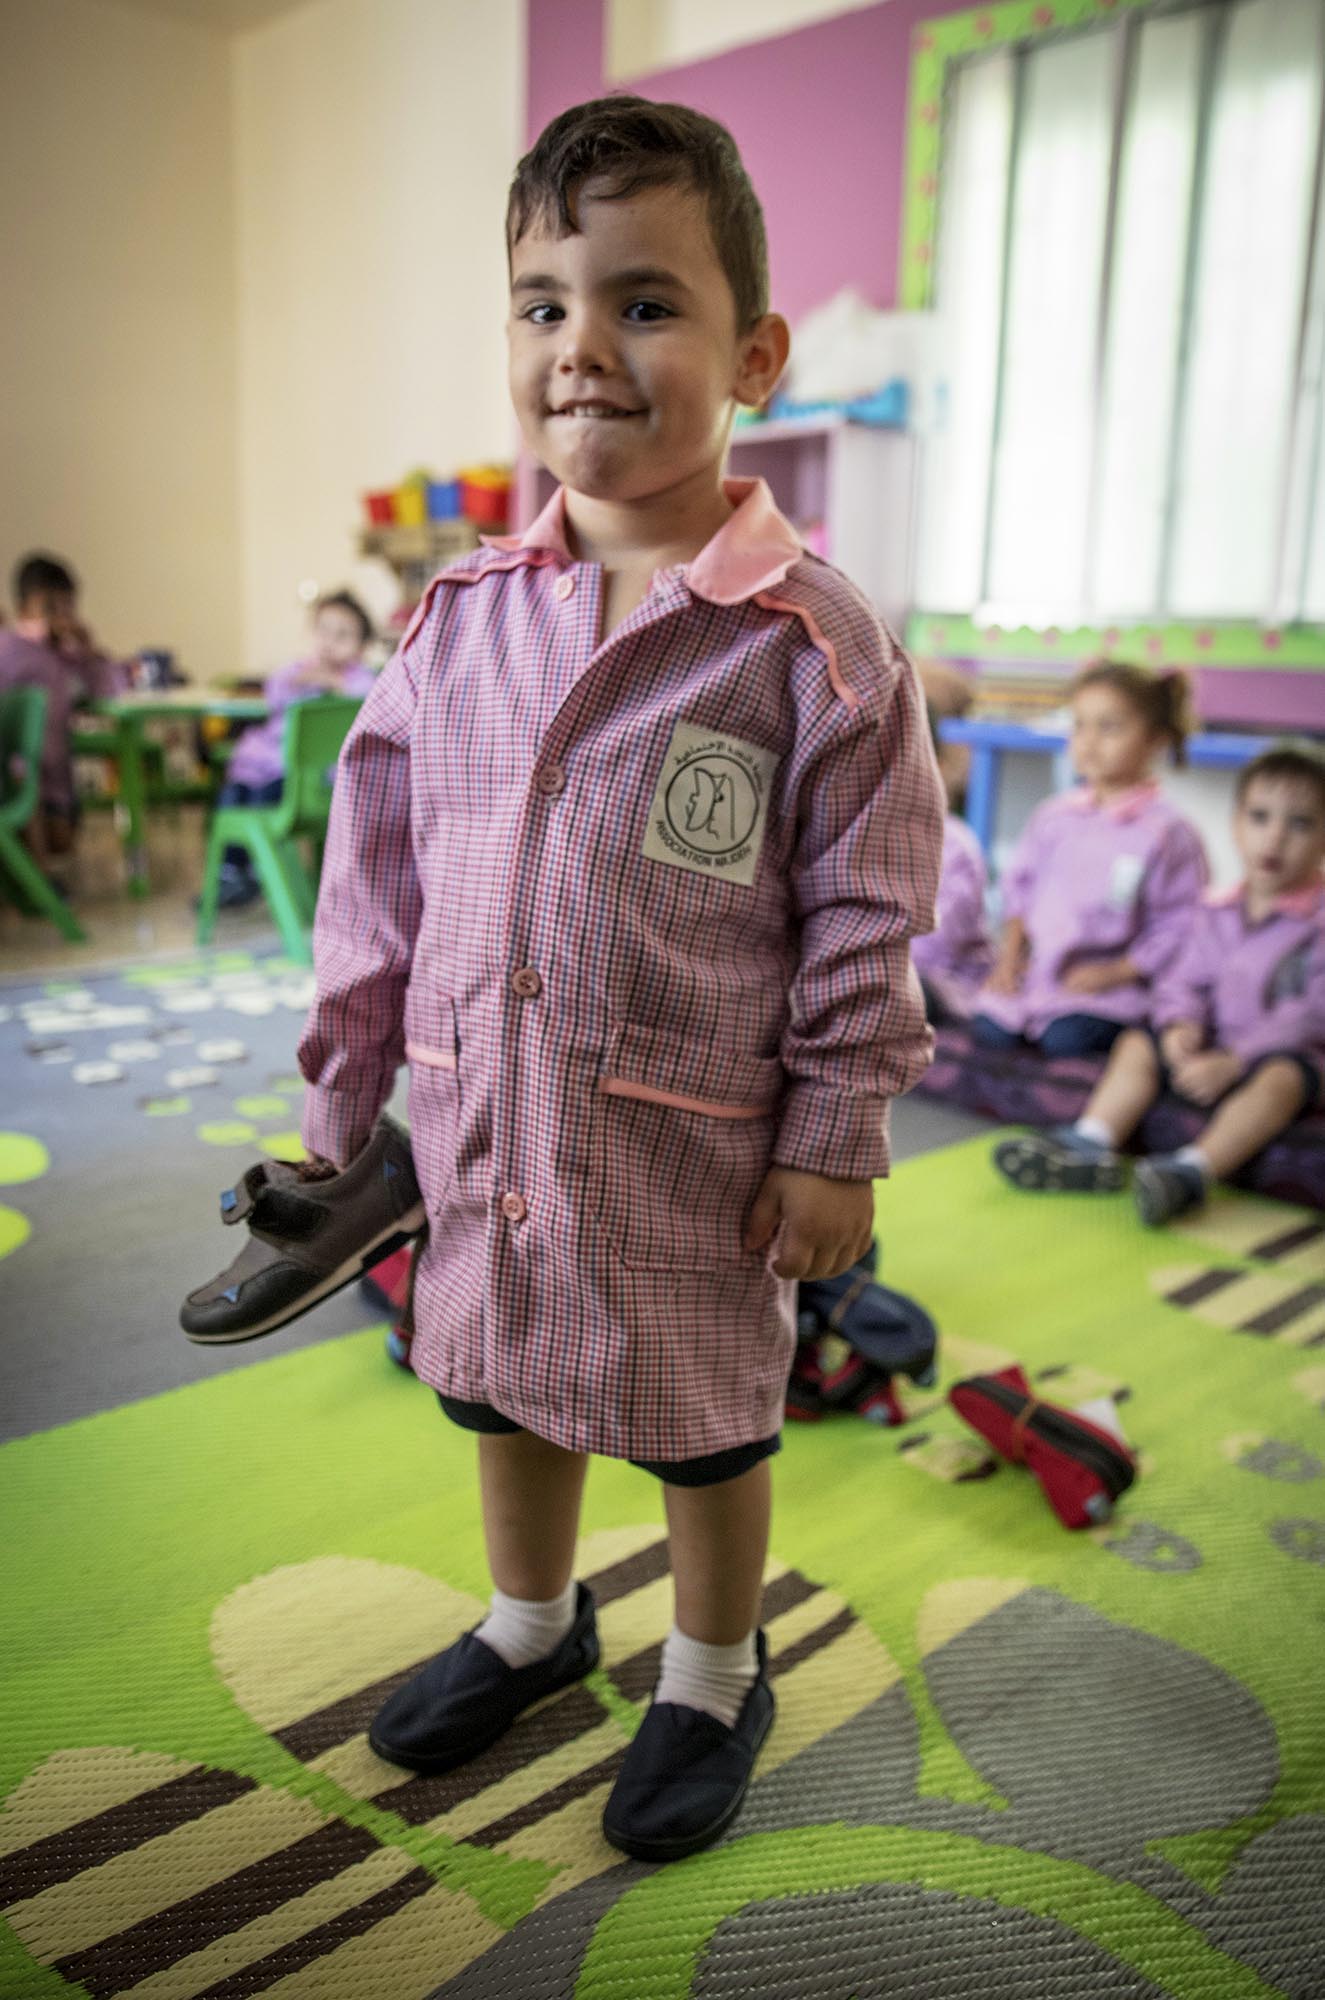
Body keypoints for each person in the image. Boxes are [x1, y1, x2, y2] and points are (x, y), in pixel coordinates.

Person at [286, 97, 940, 1860]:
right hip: (482, 1118)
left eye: (646, 304)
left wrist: (836, 1137)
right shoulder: (456, 618)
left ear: (757, 352)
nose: (583, 347)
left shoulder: (812, 642)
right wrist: (341, 1121)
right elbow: (374, 883)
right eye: (542, 304)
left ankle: (716, 1668)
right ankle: (532, 1619)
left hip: (693, 1148)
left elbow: (871, 911)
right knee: (498, 1379)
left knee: (704, 1422)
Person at [993, 744, 1325, 1226]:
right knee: (1137, 1045)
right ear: (1235, 825)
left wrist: (1236, 1061)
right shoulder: (1214, 910)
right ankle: (1092, 1140)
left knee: (1283, 1081)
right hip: (1208, 1047)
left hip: (1278, 1057)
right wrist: (1179, 1027)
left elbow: (1310, 1014)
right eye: (1260, 817)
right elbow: (1182, 980)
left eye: (1301, 823)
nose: (1274, 837)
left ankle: (1191, 1172)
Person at [970, 661, 1207, 1058]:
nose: (1089, 741)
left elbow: (1180, 924)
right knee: (990, 1028)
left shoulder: (1169, 833)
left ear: (1155, 740)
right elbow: (1020, 890)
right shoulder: (1053, 816)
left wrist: (1115, 973)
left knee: (1066, 1039)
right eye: (1079, 725)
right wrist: (1009, 960)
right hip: (1041, 976)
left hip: (1113, 985)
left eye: (1109, 727)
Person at [212, 591, 376, 907]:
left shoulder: (358, 680)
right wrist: (302, 680)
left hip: (311, 786)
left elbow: (369, 695)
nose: (331, 642)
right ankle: (232, 872)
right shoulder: (298, 672)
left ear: (362, 646)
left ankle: (259, 868)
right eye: (324, 631)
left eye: (343, 635)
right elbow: (274, 692)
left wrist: (335, 683)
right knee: (233, 796)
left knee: (261, 802)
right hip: (264, 768)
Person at [0, 553, 129, 863]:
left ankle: (31, 871)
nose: (60, 617)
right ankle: (36, 883)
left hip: (58, 779)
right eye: (49, 608)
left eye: (67, 607)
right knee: (25, 805)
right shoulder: (8, 649)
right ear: (23, 610)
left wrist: (87, 649)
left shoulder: (67, 655)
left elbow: (114, 687)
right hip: (16, 768)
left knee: (62, 839)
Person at [911, 704, 993, 1023]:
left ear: (939, 769)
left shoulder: (956, 846)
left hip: (942, 980)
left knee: (898, 990)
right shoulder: (858, 835)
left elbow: (939, 944)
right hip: (876, 967)